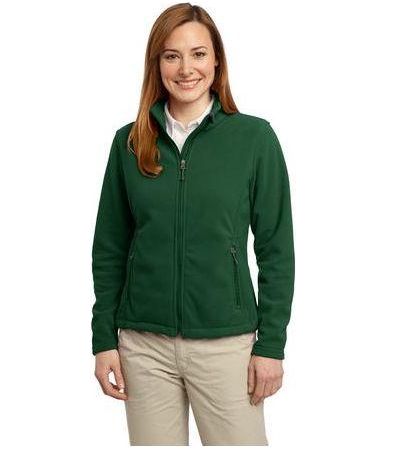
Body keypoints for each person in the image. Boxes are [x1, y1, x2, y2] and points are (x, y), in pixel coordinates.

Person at [91, 2, 295, 446]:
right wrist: (104, 339)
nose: (186, 69)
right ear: (157, 64)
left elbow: (276, 250)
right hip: (143, 347)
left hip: (226, 345)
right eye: (172, 55)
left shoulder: (254, 139)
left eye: (198, 54)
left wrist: (271, 345)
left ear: (217, 60)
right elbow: (109, 248)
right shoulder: (129, 142)